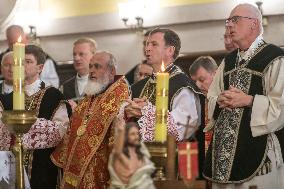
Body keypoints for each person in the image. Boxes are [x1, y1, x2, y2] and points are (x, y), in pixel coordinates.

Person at [203, 4, 284, 189]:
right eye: (228, 21)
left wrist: (249, 100)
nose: (229, 26)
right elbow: (211, 96)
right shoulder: (228, 61)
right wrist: (219, 100)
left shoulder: (275, 58)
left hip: (257, 151)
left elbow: (281, 105)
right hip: (223, 153)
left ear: (253, 24)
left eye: (235, 20)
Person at [51, 51, 130, 189]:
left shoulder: (120, 100)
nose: (92, 71)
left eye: (97, 67)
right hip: (76, 172)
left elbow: (118, 140)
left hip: (101, 173)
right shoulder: (91, 96)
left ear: (112, 71)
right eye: (91, 66)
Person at [0, 44, 71, 189]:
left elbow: (61, 132)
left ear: (40, 68)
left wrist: (21, 126)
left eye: (28, 61)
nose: (21, 65)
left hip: (43, 167)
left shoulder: (53, 96)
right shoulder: (5, 100)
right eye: (19, 61)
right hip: (10, 166)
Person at [125, 28, 201, 142]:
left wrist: (146, 112)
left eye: (154, 44)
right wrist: (127, 111)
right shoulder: (137, 87)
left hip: (170, 155)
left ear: (170, 50)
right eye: (147, 44)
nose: (147, 49)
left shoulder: (182, 85)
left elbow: (185, 125)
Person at [108, 118, 155, 189]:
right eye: (132, 134)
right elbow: (118, 151)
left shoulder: (140, 153)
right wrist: (121, 131)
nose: (136, 137)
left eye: (137, 134)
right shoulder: (120, 155)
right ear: (126, 136)